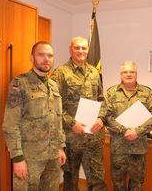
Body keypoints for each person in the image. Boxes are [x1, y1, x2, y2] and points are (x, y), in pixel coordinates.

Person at [2, 41, 67, 191]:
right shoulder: (20, 84)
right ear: (32, 58)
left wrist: (60, 147)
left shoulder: (53, 85)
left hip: (53, 155)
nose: (46, 59)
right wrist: (17, 158)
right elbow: (10, 124)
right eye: (41, 55)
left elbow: (58, 119)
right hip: (30, 157)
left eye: (50, 55)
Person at [51, 36, 107, 191]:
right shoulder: (60, 73)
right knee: (71, 180)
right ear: (71, 49)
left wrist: (101, 118)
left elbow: (101, 99)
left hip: (93, 136)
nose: (81, 51)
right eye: (77, 47)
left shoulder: (94, 72)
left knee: (98, 180)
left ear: (88, 50)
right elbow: (54, 106)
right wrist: (71, 123)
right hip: (71, 137)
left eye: (84, 48)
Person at [105, 61, 152, 190]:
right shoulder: (111, 93)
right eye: (125, 72)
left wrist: (137, 131)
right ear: (120, 75)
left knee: (137, 184)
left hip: (138, 148)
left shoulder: (146, 92)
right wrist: (124, 130)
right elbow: (106, 116)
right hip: (118, 148)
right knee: (118, 184)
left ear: (136, 74)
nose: (128, 74)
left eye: (132, 72)